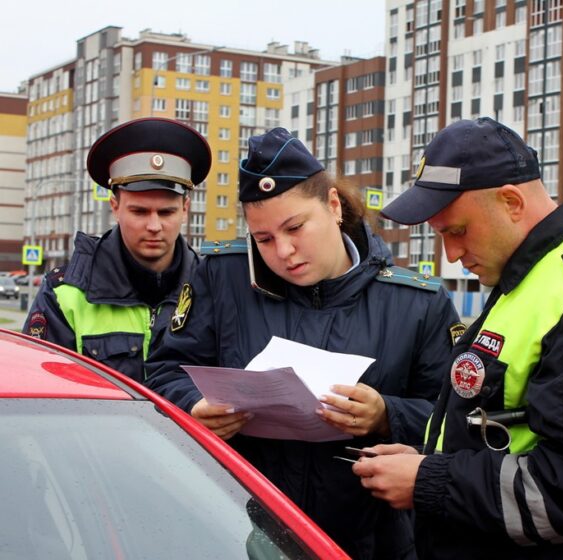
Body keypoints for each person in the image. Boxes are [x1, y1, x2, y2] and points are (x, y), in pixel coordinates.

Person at [352, 117, 563, 559]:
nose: (452, 254)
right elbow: (514, 433)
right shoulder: (536, 277)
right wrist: (427, 462)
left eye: (456, 231)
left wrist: (429, 481)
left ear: (511, 202)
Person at [144, 127, 462, 559]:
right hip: (236, 530)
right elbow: (164, 372)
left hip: (369, 541)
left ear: (333, 205)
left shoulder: (416, 301)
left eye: (295, 227)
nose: (285, 251)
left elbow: (454, 421)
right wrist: (193, 407)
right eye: (264, 239)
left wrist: (387, 416)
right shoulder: (222, 278)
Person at [23, 117, 210, 382]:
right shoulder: (66, 294)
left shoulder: (211, 286)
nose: (154, 226)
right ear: (115, 207)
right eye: (140, 211)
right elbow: (43, 397)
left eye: (166, 212)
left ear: (185, 210)